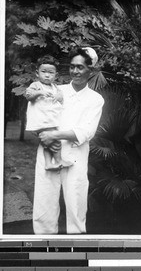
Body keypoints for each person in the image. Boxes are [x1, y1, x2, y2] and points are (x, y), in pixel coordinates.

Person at [33, 47, 104, 234]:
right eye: (72, 67)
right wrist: (42, 134)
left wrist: (54, 135)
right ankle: (42, 249)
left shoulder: (95, 99)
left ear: (91, 70)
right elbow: (38, 114)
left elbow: (87, 131)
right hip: (48, 152)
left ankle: (77, 250)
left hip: (75, 158)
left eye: (80, 67)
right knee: (44, 205)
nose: (75, 71)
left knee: (76, 207)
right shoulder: (56, 90)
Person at [25, 55, 73, 171]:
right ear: (37, 73)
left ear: (56, 75)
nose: (47, 75)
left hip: (50, 121)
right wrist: (39, 93)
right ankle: (58, 160)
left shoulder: (55, 87)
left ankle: (48, 163)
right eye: (44, 72)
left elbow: (61, 98)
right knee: (56, 142)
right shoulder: (36, 85)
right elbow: (28, 95)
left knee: (48, 143)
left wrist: (59, 96)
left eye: (51, 73)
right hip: (41, 121)